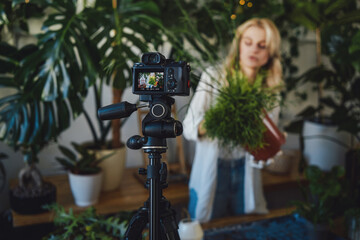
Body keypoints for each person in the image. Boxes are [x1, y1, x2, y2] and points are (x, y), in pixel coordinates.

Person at [183, 18, 283, 223]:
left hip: (245, 169)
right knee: (205, 228)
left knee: (244, 227)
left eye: (261, 46)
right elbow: (189, 127)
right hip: (215, 167)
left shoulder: (271, 90)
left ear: (270, 53)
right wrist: (221, 118)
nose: (253, 50)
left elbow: (264, 142)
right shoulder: (214, 76)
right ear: (238, 44)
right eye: (248, 42)